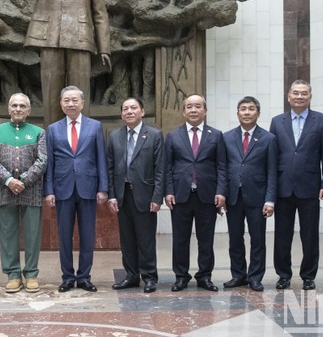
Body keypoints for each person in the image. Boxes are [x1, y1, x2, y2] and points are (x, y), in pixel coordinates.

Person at [269, 79, 323, 291]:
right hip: (283, 186)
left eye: (303, 93)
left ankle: (308, 275)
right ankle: (283, 275)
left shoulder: (322, 121)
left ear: (310, 97)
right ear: (288, 96)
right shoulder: (277, 121)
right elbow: (271, 156)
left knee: (310, 234)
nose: (299, 96)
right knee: (282, 234)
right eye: (295, 93)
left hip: (310, 186)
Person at [43, 86, 108, 293]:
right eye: (66, 101)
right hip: (62, 189)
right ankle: (68, 277)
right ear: (61, 104)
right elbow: (50, 163)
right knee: (64, 235)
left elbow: (101, 159)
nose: (70, 104)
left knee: (88, 235)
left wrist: (103, 188)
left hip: (88, 188)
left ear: (82, 103)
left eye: (74, 100)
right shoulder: (52, 129)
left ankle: (84, 277)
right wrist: (49, 190)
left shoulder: (95, 126)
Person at [164, 94, 226, 293]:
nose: (193, 110)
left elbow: (222, 166)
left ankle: (204, 276)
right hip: (180, 195)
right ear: (183, 111)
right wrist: (168, 191)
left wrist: (221, 192)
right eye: (189, 106)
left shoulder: (216, 135)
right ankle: (181, 276)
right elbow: (167, 167)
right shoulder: (173, 136)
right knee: (180, 239)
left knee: (205, 239)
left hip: (207, 195)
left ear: (205, 111)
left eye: (198, 106)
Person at [0, 93, 47, 294]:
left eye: (22, 106)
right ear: (8, 109)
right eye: (14, 105)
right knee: (8, 233)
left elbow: (42, 160)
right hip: (5, 190)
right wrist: (9, 180)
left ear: (29, 110)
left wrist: (24, 181)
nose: (18, 109)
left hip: (31, 190)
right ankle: (13, 274)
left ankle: (31, 274)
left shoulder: (38, 132)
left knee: (32, 234)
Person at [107, 97, 164, 294]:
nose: (129, 111)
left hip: (146, 195)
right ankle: (131, 276)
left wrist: (158, 197)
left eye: (133, 108)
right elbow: (110, 168)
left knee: (146, 238)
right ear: (122, 114)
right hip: (122, 195)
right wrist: (112, 196)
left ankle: (149, 277)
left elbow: (160, 169)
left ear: (142, 111)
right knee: (127, 239)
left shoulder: (155, 135)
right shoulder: (114, 136)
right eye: (125, 109)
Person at [222, 96, 277, 292]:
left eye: (251, 109)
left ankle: (255, 277)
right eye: (243, 109)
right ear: (237, 114)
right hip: (233, 197)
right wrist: (222, 194)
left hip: (258, 197)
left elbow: (272, 171)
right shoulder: (226, 137)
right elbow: (222, 168)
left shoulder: (269, 139)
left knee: (258, 239)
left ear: (258, 113)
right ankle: (238, 275)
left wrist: (270, 199)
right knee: (235, 238)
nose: (246, 112)